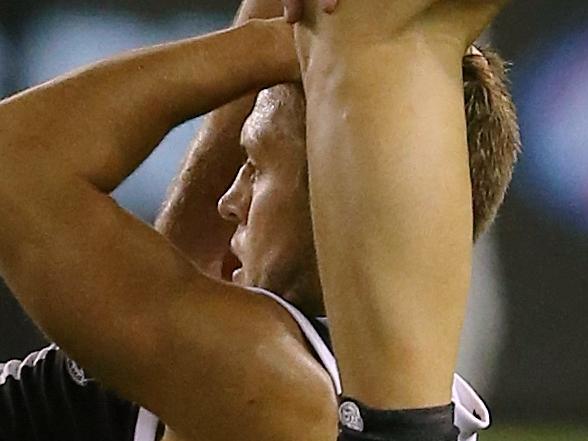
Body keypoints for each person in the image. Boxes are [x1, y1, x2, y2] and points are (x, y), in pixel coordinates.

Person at [0, 1, 518, 440]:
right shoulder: (309, 366)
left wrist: (295, 49)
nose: (228, 199)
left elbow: (14, 167)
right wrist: (309, 41)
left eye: (255, 168)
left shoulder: (272, 384)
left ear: (329, 201)